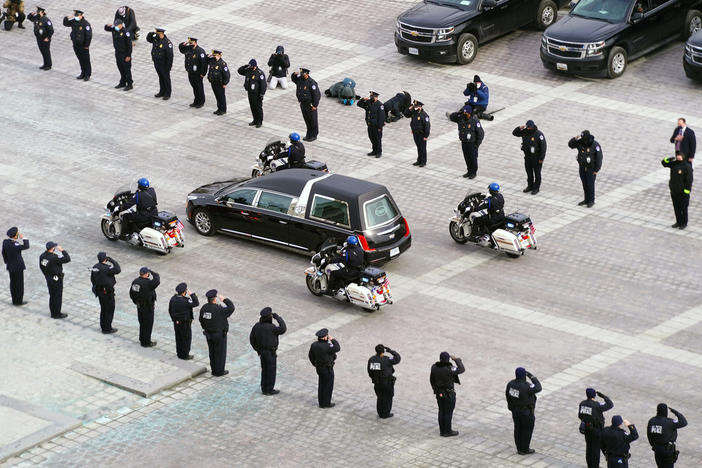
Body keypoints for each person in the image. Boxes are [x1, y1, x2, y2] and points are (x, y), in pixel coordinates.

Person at [249, 307, 287, 395]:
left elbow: (252, 339)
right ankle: (269, 390)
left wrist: (257, 349)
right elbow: (283, 329)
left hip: (262, 352)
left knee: (264, 370)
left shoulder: (257, 326)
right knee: (271, 371)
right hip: (270, 352)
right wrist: (278, 318)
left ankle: (264, 388)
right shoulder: (272, 327)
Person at [506, 367, 542, 455]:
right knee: (527, 430)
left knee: (518, 428)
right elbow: (538, 387)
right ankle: (524, 449)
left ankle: (519, 448)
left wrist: (511, 407)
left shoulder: (510, 384)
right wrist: (532, 376)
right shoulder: (527, 386)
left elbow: (507, 396)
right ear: (524, 375)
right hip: (526, 412)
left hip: (515, 410)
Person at [199, 289, 235, 376]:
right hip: (219, 335)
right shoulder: (219, 309)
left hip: (209, 334)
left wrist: (206, 328)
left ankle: (214, 370)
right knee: (220, 353)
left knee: (212, 352)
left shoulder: (204, 308)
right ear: (215, 299)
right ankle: (219, 371)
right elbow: (231, 307)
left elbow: (201, 320)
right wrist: (225, 300)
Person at [429, 352, 465, 437]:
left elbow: (431, 380)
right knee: (448, 412)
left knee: (441, 411)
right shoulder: (449, 368)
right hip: (449, 394)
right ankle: (447, 431)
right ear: (448, 359)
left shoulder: (434, 367)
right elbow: (462, 369)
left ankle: (442, 430)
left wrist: (435, 390)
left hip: (439, 393)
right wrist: (456, 359)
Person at [578, 387, 614, 468]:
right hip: (596, 430)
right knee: (595, 450)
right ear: (594, 395)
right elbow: (610, 405)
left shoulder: (582, 403)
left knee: (589, 448)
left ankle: (589, 465)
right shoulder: (597, 405)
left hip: (587, 429)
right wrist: (604, 396)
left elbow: (580, 416)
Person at [569, 130, 603, 208]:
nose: (582, 139)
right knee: (584, 184)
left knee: (590, 184)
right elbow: (570, 145)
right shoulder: (580, 142)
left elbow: (599, 158)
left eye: (583, 138)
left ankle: (591, 200)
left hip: (591, 169)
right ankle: (586, 199)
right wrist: (575, 138)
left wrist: (596, 170)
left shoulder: (595, 145)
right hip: (582, 167)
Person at [448, 105, 484, 178]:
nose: (465, 114)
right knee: (466, 157)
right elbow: (452, 117)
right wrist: (458, 113)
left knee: (473, 158)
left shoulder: (474, 120)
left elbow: (481, 133)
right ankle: (469, 171)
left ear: (469, 113)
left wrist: (477, 144)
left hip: (472, 143)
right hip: (464, 141)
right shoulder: (461, 118)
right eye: (464, 113)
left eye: (466, 113)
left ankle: (473, 173)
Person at [647, 403, 687, 468]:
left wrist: (654, 445)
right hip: (667, 450)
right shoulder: (669, 422)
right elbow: (684, 422)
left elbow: (649, 435)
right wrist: (676, 413)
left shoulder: (652, 421)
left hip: (657, 449)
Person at [512, 120, 547, 194]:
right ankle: (530, 186)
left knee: (537, 173)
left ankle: (536, 188)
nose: (528, 129)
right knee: (529, 172)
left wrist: (541, 158)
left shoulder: (539, 134)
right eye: (527, 127)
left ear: (533, 126)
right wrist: (519, 128)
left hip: (536, 158)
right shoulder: (525, 131)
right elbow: (514, 133)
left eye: (530, 127)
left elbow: (543, 147)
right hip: (527, 156)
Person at [308, 328, 340, 408]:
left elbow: (311, 356)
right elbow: (337, 348)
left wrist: (315, 364)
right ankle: (326, 403)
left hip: (319, 368)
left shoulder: (314, 345)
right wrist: (332, 339)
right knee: (328, 386)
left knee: (321, 385)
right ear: (325, 337)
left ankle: (321, 402)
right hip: (327, 369)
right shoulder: (328, 346)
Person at [368, 344, 401, 419]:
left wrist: (374, 378)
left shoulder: (372, 360)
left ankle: (380, 412)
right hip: (387, 383)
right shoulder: (386, 360)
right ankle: (386, 413)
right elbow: (398, 358)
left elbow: (370, 372)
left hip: (377, 383)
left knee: (380, 398)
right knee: (388, 398)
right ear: (383, 352)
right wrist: (390, 351)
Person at [129, 267, 160, 347]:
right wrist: (152, 271)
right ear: (147, 274)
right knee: (148, 324)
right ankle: (146, 342)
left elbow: (131, 293)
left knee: (142, 323)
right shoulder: (149, 283)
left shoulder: (135, 282)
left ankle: (142, 338)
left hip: (140, 306)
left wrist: (136, 301)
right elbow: (157, 279)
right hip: (148, 307)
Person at [39, 241, 70, 319]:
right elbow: (67, 259)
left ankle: (53, 311)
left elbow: (41, 267)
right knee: (57, 296)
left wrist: (46, 275)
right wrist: (63, 251)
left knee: (52, 295)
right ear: (53, 248)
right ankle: (56, 314)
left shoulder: (42, 256)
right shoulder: (54, 258)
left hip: (49, 278)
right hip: (56, 279)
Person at [662, 151, 693, 229]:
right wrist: (667, 159)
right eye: (678, 156)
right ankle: (678, 221)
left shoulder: (687, 167)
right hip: (674, 190)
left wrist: (686, 191)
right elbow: (664, 163)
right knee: (676, 207)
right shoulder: (674, 163)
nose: (679, 158)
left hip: (683, 192)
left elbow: (689, 180)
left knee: (683, 208)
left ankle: (684, 223)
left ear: (683, 157)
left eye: (680, 156)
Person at [90, 252, 120, 334]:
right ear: (105, 259)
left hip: (99, 291)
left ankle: (103, 326)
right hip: (107, 292)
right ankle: (107, 328)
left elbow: (92, 279)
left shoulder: (95, 267)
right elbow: (118, 269)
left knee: (103, 309)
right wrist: (112, 260)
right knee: (109, 309)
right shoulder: (107, 268)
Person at [168, 283, 198, 360]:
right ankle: (185, 355)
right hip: (185, 323)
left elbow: (170, 310)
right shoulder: (186, 301)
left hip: (176, 322)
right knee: (186, 339)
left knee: (178, 338)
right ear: (184, 292)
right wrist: (192, 295)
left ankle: (179, 353)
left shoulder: (173, 299)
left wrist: (174, 319)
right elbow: (196, 303)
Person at [291, 68, 320, 142]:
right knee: (307, 120)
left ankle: (313, 135)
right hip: (303, 104)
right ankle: (308, 134)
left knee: (313, 121)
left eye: (303, 74)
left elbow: (316, 95)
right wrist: (294, 74)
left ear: (307, 74)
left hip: (310, 105)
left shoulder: (311, 83)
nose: (302, 75)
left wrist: (315, 105)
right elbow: (293, 79)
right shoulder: (300, 80)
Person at [2, 227, 29, 306]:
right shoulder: (15, 245)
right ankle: (18, 301)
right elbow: (26, 246)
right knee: (19, 285)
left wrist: (7, 262)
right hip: (18, 267)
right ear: (15, 236)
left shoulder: (5, 242)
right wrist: (24, 238)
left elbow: (3, 253)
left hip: (10, 266)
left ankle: (14, 300)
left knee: (13, 284)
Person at [63, 10, 92, 81]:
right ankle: (83, 73)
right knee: (80, 59)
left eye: (77, 16)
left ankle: (87, 74)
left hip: (83, 45)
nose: (76, 17)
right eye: (75, 16)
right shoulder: (74, 21)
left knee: (86, 60)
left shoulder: (86, 24)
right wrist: (67, 17)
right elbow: (66, 24)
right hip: (76, 44)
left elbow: (89, 35)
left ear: (81, 16)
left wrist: (86, 45)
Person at [104, 19, 133, 90]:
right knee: (120, 68)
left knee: (127, 70)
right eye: (115, 25)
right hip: (118, 53)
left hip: (125, 54)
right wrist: (107, 25)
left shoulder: (125, 32)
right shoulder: (114, 29)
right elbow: (106, 29)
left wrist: (128, 55)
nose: (116, 26)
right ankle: (122, 82)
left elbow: (129, 45)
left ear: (121, 25)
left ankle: (129, 84)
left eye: (117, 25)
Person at [179, 37, 207, 108]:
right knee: (194, 87)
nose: (190, 44)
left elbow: (204, 64)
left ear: (195, 43)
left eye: (191, 43)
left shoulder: (200, 51)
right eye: (189, 43)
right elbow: (181, 49)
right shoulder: (188, 48)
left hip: (198, 73)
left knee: (199, 87)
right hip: (190, 71)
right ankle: (196, 100)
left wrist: (203, 73)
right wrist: (183, 44)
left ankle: (201, 101)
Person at [237, 59, 267, 127]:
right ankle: (255, 120)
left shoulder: (260, 73)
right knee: (252, 107)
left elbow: (263, 85)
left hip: (257, 94)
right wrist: (245, 66)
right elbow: (239, 71)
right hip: (250, 93)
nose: (250, 68)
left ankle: (259, 122)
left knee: (258, 108)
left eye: (251, 67)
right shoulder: (248, 71)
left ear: (255, 66)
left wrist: (262, 94)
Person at [146, 28, 173, 100]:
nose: (156, 35)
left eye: (158, 34)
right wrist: (151, 34)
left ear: (162, 34)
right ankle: (162, 91)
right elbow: (148, 39)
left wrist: (168, 67)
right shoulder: (156, 39)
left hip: (164, 64)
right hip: (157, 62)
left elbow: (170, 56)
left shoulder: (167, 42)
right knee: (161, 77)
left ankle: (167, 93)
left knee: (166, 78)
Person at [357, 91, 385, 158]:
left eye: (373, 97)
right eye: (371, 97)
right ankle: (374, 150)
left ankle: (379, 152)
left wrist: (380, 127)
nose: (371, 98)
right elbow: (359, 104)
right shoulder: (368, 102)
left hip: (377, 126)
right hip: (370, 125)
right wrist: (363, 99)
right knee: (371, 138)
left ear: (376, 97)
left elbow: (381, 117)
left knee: (378, 139)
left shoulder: (380, 105)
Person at [405, 100, 430, 167]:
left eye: (416, 106)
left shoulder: (424, 115)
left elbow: (427, 126)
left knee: (422, 148)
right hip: (415, 133)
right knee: (418, 147)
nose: (415, 107)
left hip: (421, 134)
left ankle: (423, 161)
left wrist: (426, 136)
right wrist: (409, 109)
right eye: (414, 106)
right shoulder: (414, 112)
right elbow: (406, 115)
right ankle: (419, 160)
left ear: (420, 107)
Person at [207, 50, 230, 116]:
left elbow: (227, 75)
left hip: (220, 83)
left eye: (215, 55)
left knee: (221, 96)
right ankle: (219, 108)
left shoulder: (223, 64)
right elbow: (206, 59)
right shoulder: (212, 61)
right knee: (217, 96)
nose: (214, 57)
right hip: (213, 82)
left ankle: (223, 110)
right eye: (214, 55)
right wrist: (210, 55)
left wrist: (225, 83)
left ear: (219, 56)